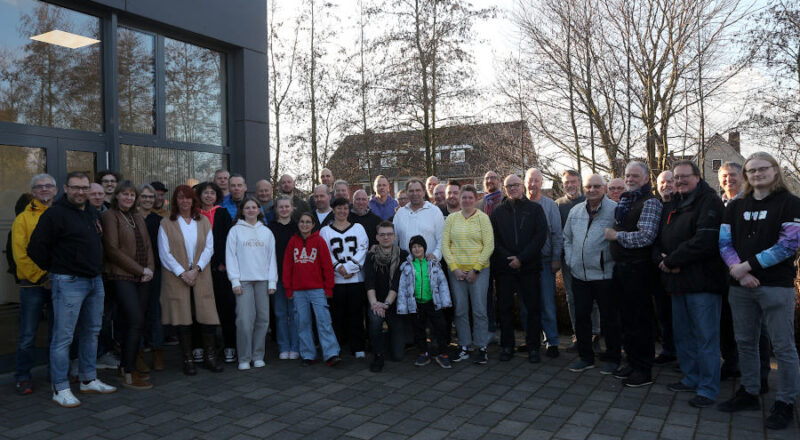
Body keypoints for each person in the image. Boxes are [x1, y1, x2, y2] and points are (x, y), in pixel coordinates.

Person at [718, 152, 800, 430]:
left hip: (776, 286)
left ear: (775, 171)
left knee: (783, 347)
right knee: (745, 342)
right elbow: (724, 243)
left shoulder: (790, 204)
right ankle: (750, 392)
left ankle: (786, 402)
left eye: (762, 169)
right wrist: (737, 271)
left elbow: (788, 245)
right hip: (740, 287)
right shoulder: (736, 205)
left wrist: (747, 267)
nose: (756, 174)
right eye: (751, 170)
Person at [28, 171, 117, 407]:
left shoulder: (90, 211)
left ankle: (88, 379)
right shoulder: (54, 214)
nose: (81, 192)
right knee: (63, 337)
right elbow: (35, 248)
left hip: (94, 281)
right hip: (68, 281)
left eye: (84, 188)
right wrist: (56, 270)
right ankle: (61, 387)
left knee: (92, 331)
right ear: (66, 189)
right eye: (76, 187)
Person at [654, 161, 726, 408]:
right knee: (683, 335)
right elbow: (659, 238)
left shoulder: (710, 202)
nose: (679, 181)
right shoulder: (673, 202)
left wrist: (673, 260)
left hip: (702, 283)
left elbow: (706, 240)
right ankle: (691, 377)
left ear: (697, 177)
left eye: (685, 176)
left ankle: (707, 388)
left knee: (706, 339)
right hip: (676, 282)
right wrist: (662, 261)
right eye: (676, 177)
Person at [604, 161, 663, 387]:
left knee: (640, 320)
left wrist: (616, 237)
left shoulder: (650, 202)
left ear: (647, 179)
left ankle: (643, 368)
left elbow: (646, 236)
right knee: (626, 320)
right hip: (623, 268)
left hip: (639, 269)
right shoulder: (626, 201)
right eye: (627, 175)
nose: (630, 179)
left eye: (635, 176)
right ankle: (631, 361)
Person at [158, 185, 223, 375]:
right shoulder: (166, 223)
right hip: (176, 276)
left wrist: (196, 270)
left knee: (207, 315)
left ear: (193, 200)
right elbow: (165, 253)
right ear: (176, 201)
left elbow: (209, 248)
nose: (184, 201)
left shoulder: (202, 221)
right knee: (182, 317)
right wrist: (182, 273)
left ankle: (210, 358)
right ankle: (188, 359)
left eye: (188, 198)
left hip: (200, 274)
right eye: (180, 198)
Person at [564, 174, 620, 375]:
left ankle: (613, 358)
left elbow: (621, 239)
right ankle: (585, 357)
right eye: (589, 186)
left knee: (609, 319)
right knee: (581, 318)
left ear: (604, 188)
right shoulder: (575, 211)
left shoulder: (615, 210)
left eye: (597, 186)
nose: (592, 190)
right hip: (580, 276)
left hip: (605, 276)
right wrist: (571, 260)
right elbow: (567, 238)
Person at [102, 180, 155, 390]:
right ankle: (129, 371)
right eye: (124, 194)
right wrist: (140, 270)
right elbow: (112, 250)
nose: (128, 198)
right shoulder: (109, 216)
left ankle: (125, 365)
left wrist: (149, 269)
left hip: (143, 278)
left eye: (132, 195)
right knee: (134, 321)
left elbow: (148, 245)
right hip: (122, 276)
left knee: (134, 323)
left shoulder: (137, 217)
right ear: (116, 196)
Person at [490, 174, 548, 363]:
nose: (513, 188)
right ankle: (507, 346)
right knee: (505, 309)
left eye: (516, 185)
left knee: (532, 309)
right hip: (505, 269)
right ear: (504, 189)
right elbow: (494, 240)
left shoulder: (535, 209)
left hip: (529, 267)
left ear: (522, 186)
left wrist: (521, 258)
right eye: (509, 186)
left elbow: (540, 236)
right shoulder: (498, 212)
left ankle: (533, 347)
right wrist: (510, 258)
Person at [12, 174, 55, 396]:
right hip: (33, 284)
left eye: (49, 186)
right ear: (33, 191)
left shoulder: (60, 214)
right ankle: (23, 376)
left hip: (58, 283)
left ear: (56, 190)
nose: (45, 190)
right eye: (40, 187)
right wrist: (41, 277)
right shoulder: (23, 219)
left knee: (57, 333)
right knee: (28, 334)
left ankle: (55, 373)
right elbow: (20, 255)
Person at [443, 185, 494, 364]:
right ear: (459, 199)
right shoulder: (451, 219)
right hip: (457, 271)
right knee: (460, 309)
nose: (466, 201)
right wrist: (454, 268)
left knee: (479, 310)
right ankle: (464, 345)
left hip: (479, 271)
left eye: (470, 198)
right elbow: (445, 245)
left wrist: (476, 269)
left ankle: (481, 347)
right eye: (463, 197)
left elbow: (489, 245)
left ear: (475, 199)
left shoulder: (483, 218)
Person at [226, 197, 278, 370]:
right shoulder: (235, 231)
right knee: (244, 320)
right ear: (242, 210)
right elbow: (230, 257)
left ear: (259, 210)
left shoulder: (266, 232)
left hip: (263, 281)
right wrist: (234, 280)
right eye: (247, 207)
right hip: (243, 282)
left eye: (254, 207)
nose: (250, 210)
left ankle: (258, 355)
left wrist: (272, 281)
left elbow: (272, 259)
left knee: (263, 319)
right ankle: (244, 357)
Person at [283, 212, 341, 366]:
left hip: (317, 289)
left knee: (324, 321)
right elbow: (287, 267)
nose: (304, 225)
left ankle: (331, 353)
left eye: (308, 222)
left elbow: (327, 267)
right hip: (298, 290)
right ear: (298, 224)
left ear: (313, 225)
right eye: (302, 221)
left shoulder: (319, 241)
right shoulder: (292, 242)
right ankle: (308, 354)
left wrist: (328, 288)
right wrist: (288, 289)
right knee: (302, 322)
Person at [320, 198, 369, 358]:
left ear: (349, 210)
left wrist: (349, 268)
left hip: (355, 279)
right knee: (337, 315)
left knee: (356, 313)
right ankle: (338, 345)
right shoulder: (325, 231)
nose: (342, 211)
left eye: (345, 208)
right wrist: (338, 268)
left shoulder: (358, 228)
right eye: (339, 208)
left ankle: (358, 346)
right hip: (336, 280)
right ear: (333, 210)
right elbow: (325, 252)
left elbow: (363, 249)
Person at [397, 235, 453, 368]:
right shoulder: (407, 267)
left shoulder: (433, 264)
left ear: (424, 248)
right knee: (419, 329)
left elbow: (442, 283)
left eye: (419, 246)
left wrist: (445, 301)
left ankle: (443, 353)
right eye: (414, 247)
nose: (417, 249)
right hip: (416, 304)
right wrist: (402, 306)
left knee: (440, 327)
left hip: (433, 303)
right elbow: (402, 288)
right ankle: (423, 353)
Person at [525, 168, 564, 358]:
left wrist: (556, 257)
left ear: (542, 183)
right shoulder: (519, 204)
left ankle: (552, 341)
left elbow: (557, 233)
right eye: (530, 180)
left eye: (536, 180)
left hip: (545, 261)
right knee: (527, 305)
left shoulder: (550, 205)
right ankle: (530, 339)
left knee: (547, 303)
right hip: (524, 264)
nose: (533, 184)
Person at [556, 169, 595, 353]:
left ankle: (595, 334)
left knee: (592, 298)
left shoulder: (589, 201)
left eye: (573, 181)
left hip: (590, 258)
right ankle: (577, 335)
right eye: (566, 182)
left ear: (579, 182)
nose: (570, 185)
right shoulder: (558, 205)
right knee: (572, 297)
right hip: (568, 260)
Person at [196, 182, 236, 364]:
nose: (209, 196)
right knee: (199, 308)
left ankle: (229, 346)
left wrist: (223, 264)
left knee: (225, 308)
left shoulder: (222, 213)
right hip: (198, 270)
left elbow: (228, 241)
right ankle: (201, 347)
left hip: (219, 269)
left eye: (212, 193)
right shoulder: (194, 215)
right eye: (205, 193)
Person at [364, 221, 408, 371]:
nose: (386, 237)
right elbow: (369, 282)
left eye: (389, 234)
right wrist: (375, 303)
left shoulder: (403, 255)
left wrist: (386, 304)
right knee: (375, 320)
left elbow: (396, 283)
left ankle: (387, 341)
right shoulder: (371, 256)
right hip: (376, 300)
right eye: (382, 234)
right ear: (377, 237)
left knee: (398, 356)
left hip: (394, 303)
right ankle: (378, 353)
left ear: (394, 236)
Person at [137, 184, 165, 371]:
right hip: (134, 272)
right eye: (144, 196)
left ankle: (157, 352)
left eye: (150, 197)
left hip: (156, 272)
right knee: (137, 313)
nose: (147, 199)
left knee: (156, 312)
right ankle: (138, 353)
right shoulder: (130, 217)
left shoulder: (160, 220)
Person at [268, 196, 300, 360]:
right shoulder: (270, 228)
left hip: (295, 279)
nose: (284, 209)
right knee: (280, 314)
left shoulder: (298, 227)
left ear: (292, 208)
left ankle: (295, 346)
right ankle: (283, 346)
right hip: (277, 277)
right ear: (276, 209)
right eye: (281, 207)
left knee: (294, 314)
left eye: (287, 206)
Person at [652, 170, 677, 365]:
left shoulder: (683, 206)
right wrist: (658, 257)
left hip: (679, 269)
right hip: (659, 269)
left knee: (681, 316)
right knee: (663, 314)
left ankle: (683, 354)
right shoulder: (655, 206)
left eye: (670, 181)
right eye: (662, 182)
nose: (666, 185)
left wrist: (673, 259)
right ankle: (668, 350)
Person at [393, 179, 445, 264]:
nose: (415, 194)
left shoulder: (435, 211)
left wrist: (436, 255)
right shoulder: (400, 214)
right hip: (406, 266)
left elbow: (442, 238)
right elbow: (394, 240)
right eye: (411, 191)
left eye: (418, 190)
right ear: (407, 193)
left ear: (424, 192)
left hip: (429, 265)